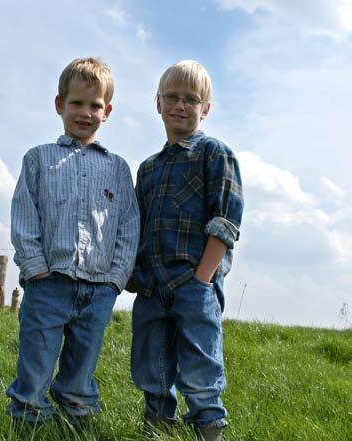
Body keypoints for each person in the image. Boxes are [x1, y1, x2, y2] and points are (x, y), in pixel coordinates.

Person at [6, 57, 139, 425]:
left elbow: (128, 225)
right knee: (35, 366)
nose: (85, 112)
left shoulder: (117, 168)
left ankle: (76, 422)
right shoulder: (38, 159)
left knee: (81, 372)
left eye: (95, 105)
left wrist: (116, 279)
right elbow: (24, 216)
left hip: (98, 290)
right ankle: (29, 420)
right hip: (49, 284)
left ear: (107, 111)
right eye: (77, 103)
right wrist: (36, 269)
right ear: (59, 105)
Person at [128, 60, 244, 441]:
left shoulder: (215, 154)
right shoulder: (148, 169)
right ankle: (158, 430)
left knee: (200, 369)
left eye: (191, 99)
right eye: (172, 97)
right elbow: (137, 227)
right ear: (158, 103)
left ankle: (208, 431)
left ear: (205, 108)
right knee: (152, 368)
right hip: (151, 286)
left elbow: (225, 222)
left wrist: (201, 280)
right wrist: (135, 277)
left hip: (194, 283)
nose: (180, 105)